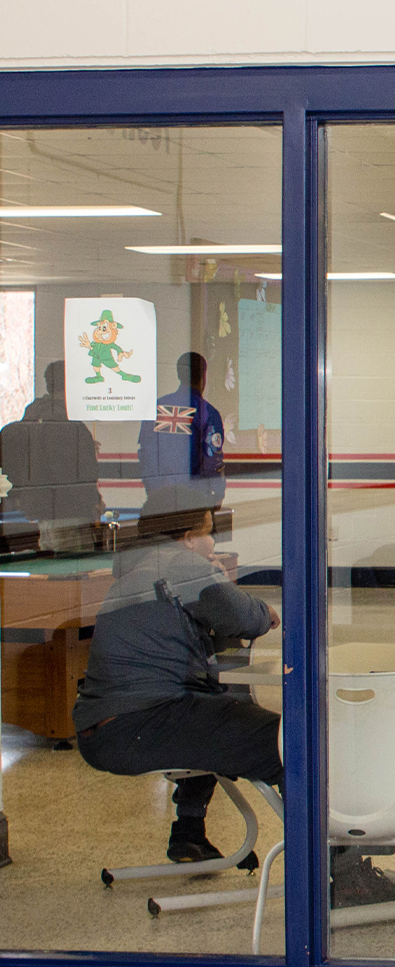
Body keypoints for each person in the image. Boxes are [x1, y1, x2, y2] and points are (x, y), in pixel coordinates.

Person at [72, 487, 281, 863]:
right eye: (207, 532)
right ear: (187, 538)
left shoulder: (137, 565)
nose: (212, 541)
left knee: (215, 709)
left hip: (105, 728)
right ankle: (336, 867)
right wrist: (264, 611)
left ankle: (188, 833)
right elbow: (244, 617)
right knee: (286, 740)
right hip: (142, 721)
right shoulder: (181, 566)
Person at [0, 361, 105, 548]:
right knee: (71, 568)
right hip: (67, 510)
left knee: (54, 563)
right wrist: (94, 500)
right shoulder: (64, 426)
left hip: (44, 510)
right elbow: (74, 474)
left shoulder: (35, 419)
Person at [138, 352, 226, 506]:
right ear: (203, 376)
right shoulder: (207, 412)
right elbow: (212, 459)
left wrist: (153, 491)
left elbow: (146, 454)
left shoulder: (156, 409)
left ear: (179, 375)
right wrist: (217, 494)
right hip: (196, 500)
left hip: (160, 499)